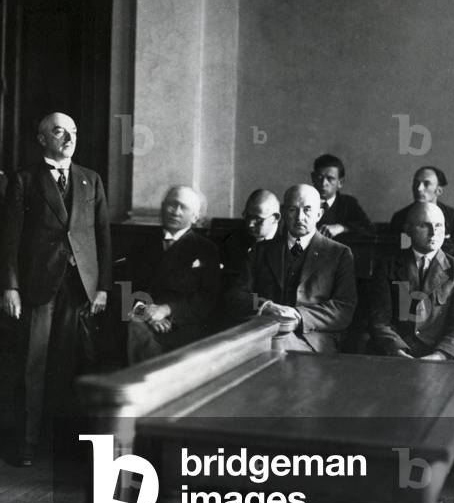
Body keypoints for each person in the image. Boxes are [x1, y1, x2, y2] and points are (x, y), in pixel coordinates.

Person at [0, 112, 111, 465]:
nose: (68, 139)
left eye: (73, 132)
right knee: (33, 364)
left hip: (80, 288)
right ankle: (27, 443)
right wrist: (11, 287)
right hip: (37, 286)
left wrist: (103, 288)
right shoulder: (24, 179)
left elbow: (103, 238)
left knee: (72, 365)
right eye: (59, 132)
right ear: (42, 138)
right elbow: (9, 239)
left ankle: (62, 446)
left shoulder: (90, 180)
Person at [232, 184, 356, 353]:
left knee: (272, 347)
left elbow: (343, 308)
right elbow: (239, 295)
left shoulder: (339, 254)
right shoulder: (260, 251)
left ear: (319, 214)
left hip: (314, 338)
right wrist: (265, 306)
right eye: (292, 210)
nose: (299, 217)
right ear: (283, 213)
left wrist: (299, 316)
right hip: (265, 333)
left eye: (307, 210)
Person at [369, 202, 454, 360]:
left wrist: (440, 355)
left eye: (439, 226)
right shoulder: (387, 267)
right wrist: (396, 350)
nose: (434, 233)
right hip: (395, 355)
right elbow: (379, 319)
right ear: (407, 229)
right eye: (424, 226)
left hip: (441, 356)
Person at [124, 186, 220, 364]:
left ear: (195, 216)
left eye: (183, 207)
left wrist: (166, 309)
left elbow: (207, 298)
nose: (176, 212)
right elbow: (127, 287)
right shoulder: (142, 244)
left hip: (184, 324)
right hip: (143, 319)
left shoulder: (206, 249)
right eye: (171, 205)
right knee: (135, 328)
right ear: (162, 207)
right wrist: (146, 313)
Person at [388, 166, 454, 249]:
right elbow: (396, 251)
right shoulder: (400, 218)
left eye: (426, 184)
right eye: (416, 183)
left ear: (438, 191)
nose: (419, 188)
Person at [311, 153, 374, 237]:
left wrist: (342, 228)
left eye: (330, 179)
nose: (324, 183)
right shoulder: (302, 201)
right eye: (319, 177)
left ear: (340, 183)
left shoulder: (348, 203)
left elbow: (369, 229)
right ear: (313, 178)